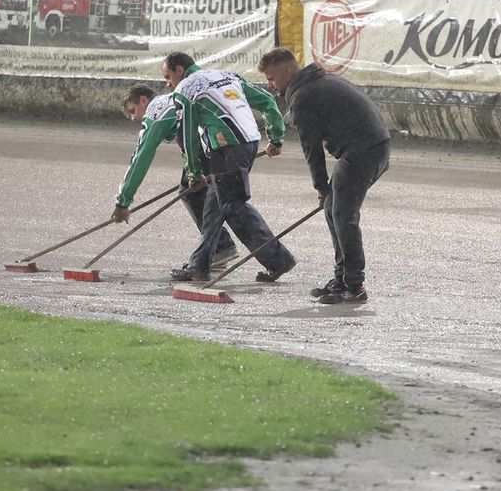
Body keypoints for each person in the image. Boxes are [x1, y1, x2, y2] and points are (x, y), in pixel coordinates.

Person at [258, 47, 390, 304]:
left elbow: (312, 150)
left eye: (272, 78)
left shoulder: (304, 96)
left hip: (363, 150)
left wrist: (321, 186)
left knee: (342, 215)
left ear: (288, 71)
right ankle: (341, 279)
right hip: (371, 146)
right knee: (334, 210)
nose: (270, 85)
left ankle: (354, 285)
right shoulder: (317, 83)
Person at [162, 52, 298, 282]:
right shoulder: (227, 75)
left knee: (228, 206)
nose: (168, 83)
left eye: (168, 76)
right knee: (222, 207)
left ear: (179, 70)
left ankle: (276, 259)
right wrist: (276, 137)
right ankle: (203, 264)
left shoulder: (184, 89)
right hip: (249, 143)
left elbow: (187, 136)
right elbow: (267, 102)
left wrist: (194, 172)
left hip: (226, 148)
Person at [111, 84, 239, 269]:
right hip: (221, 136)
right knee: (199, 193)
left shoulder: (155, 113)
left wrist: (123, 202)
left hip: (211, 144)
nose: (134, 118)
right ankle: (217, 249)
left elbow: (141, 158)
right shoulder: (169, 100)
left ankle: (220, 247)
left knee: (192, 192)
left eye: (133, 110)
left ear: (144, 100)